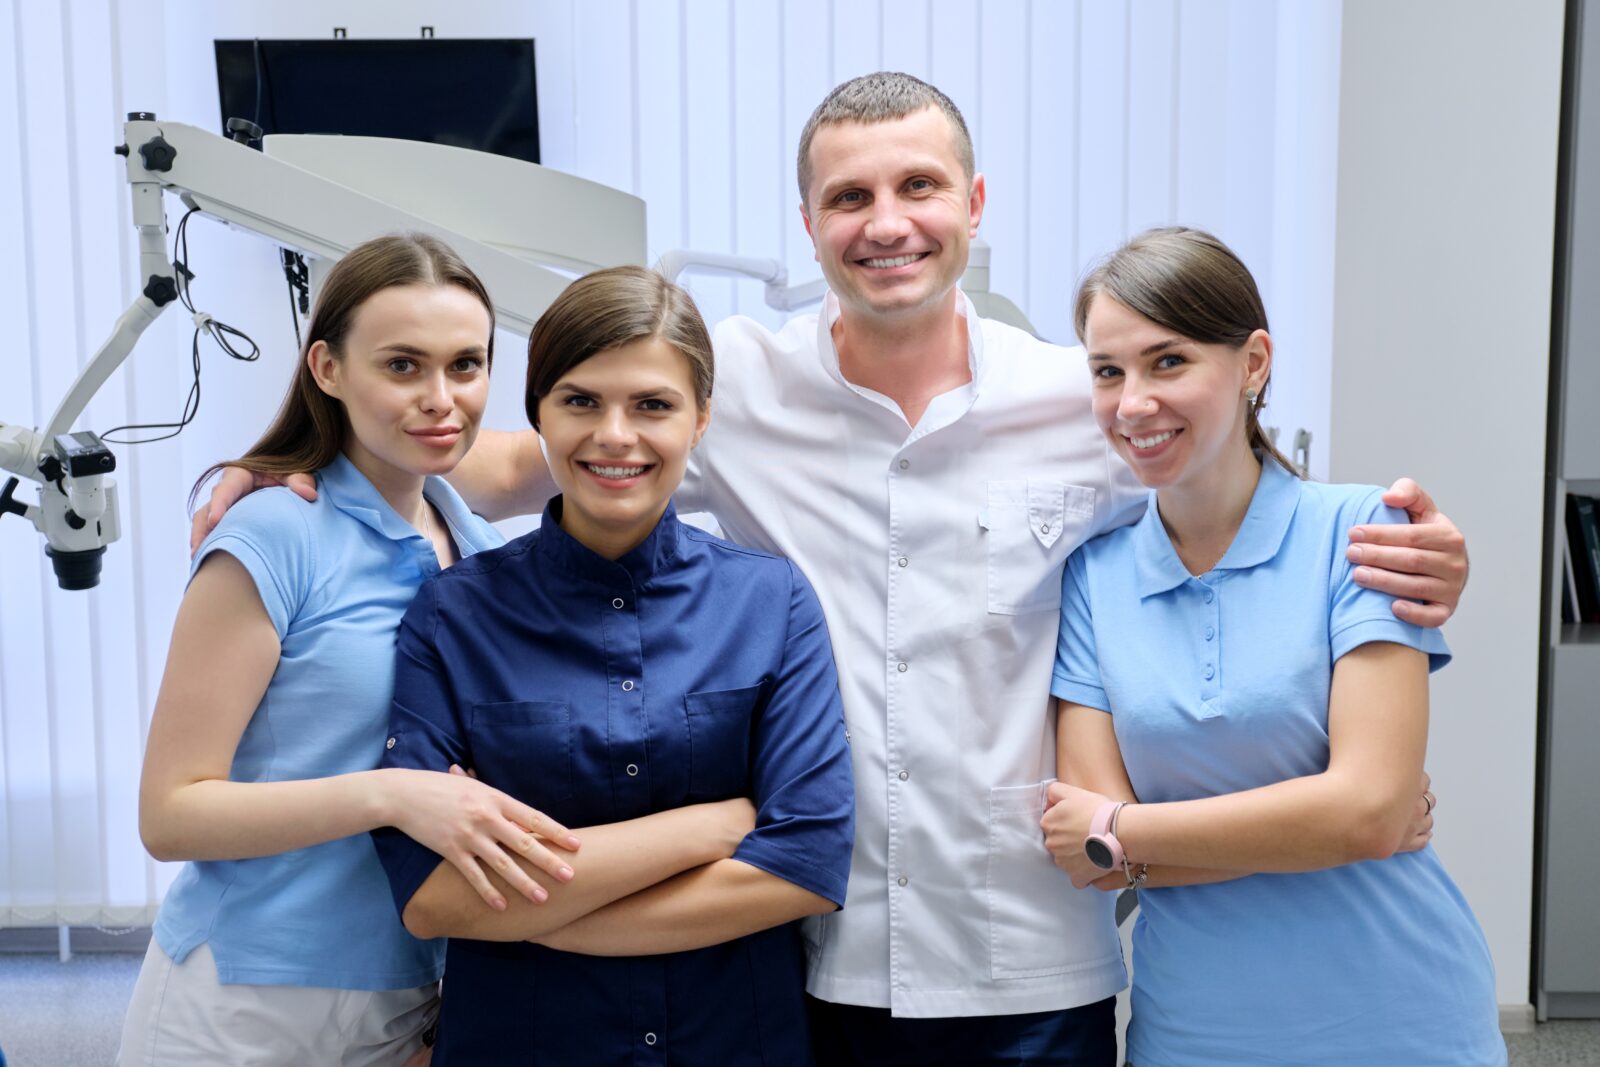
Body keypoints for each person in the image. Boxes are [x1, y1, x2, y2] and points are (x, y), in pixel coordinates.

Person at [194, 74, 1471, 1064]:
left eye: (919, 186)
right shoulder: (735, 382)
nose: (886, 224)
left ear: (976, 204)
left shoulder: (1080, 401)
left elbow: (1217, 466)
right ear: (806, 223)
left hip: (1030, 959)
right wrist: (284, 466)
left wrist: (1410, 549)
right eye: (849, 199)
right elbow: (532, 456)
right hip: (822, 956)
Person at [122, 236, 748, 1065]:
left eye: (465, 365)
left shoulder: (478, 545)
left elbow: (578, 447)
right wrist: (393, 796)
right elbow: (170, 815)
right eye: (403, 366)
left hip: (410, 996)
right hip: (245, 995)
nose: (440, 399)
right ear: (328, 368)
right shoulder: (273, 533)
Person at [368, 264, 855, 1065]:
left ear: (702, 419)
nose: (616, 435)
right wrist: (713, 826)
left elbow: (803, 865)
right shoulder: (453, 614)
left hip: (734, 1041)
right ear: (538, 413)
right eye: (582, 400)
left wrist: (526, 913)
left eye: (654, 405)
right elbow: (430, 897)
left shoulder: (771, 602)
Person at [1039, 227, 1503, 1066]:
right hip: (1195, 1032)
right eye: (1108, 371)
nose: (1132, 401)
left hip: (1403, 1018)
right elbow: (1095, 858)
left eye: (1167, 361)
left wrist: (1136, 832)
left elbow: (1365, 812)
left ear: (1253, 363)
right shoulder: (1092, 579)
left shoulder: (1363, 534)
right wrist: (1317, 824)